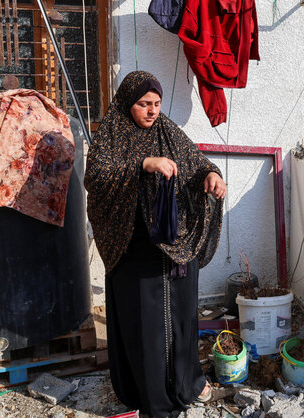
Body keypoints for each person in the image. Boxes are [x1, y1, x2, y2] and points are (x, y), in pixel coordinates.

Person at [85, 71, 227, 418]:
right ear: (127, 103)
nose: (151, 111)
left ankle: (188, 383)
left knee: (182, 320)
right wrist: (143, 164)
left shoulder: (167, 130)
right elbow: (96, 177)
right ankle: (151, 398)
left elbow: (196, 163)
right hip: (134, 250)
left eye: (157, 104)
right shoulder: (111, 132)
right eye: (143, 104)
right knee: (145, 327)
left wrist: (211, 175)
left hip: (173, 249)